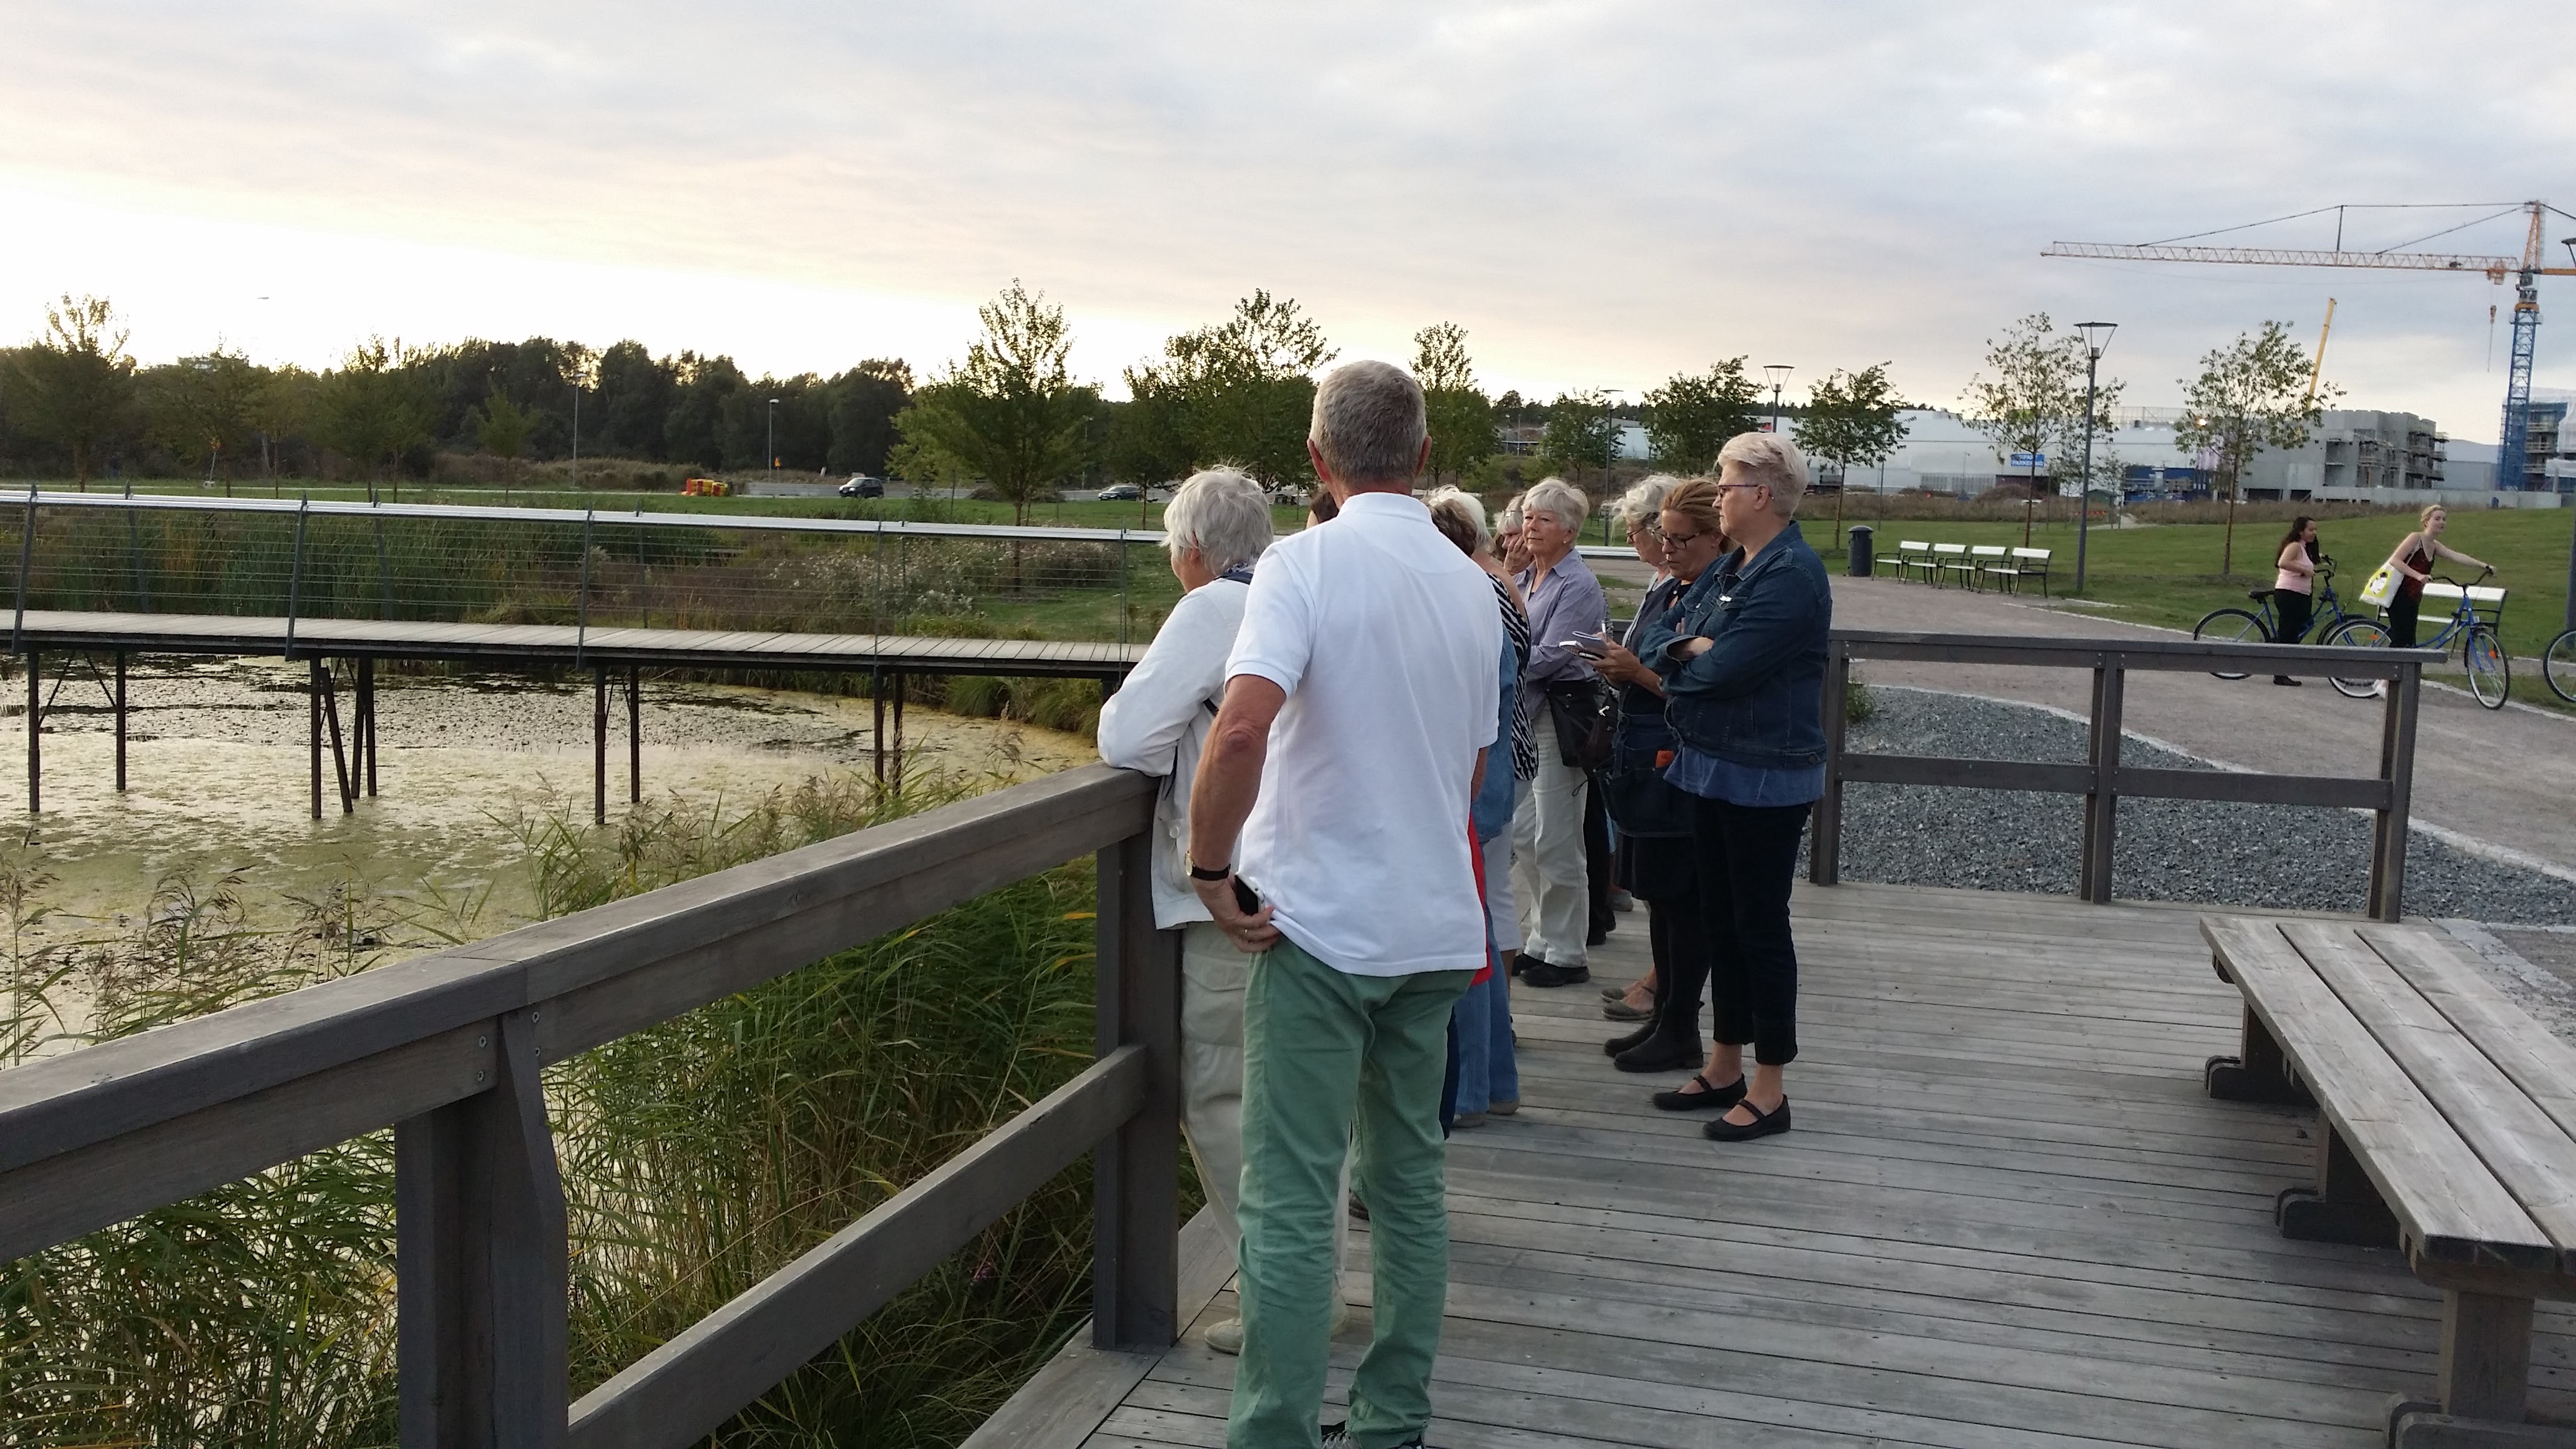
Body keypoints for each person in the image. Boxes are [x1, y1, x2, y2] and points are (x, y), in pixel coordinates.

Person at [1189, 360, 1499, 1449]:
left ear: (1315, 459)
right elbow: (1465, 774)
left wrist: (1206, 868)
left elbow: (1239, 727)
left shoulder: (1299, 566)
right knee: (1408, 1183)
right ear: (1419, 455)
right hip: (1433, 930)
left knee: (1287, 1194)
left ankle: (1271, 1429)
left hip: (1315, 929)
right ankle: (1389, 1420)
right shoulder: (1474, 586)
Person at [1095, 467, 1338, 1359]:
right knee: (1303, 1102)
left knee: (1228, 1095)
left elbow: (1125, 737)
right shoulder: (1292, 590)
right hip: (1308, 885)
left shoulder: (1211, 609)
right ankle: (1314, 1284)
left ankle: (1285, 1302)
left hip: (1232, 898)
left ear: (1190, 550)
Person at [1642, 436, 1831, 1143]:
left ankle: (1771, 1086)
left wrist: (1692, 656)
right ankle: (1724, 1064)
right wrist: (1690, 649)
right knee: (1720, 919)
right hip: (1714, 763)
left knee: (1760, 926)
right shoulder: (1734, 564)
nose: (1716, 494)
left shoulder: (1791, 575)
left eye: (1724, 485)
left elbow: (1728, 671)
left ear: (1760, 493)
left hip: (1765, 777)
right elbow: (1668, 630)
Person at [1593, 478, 1735, 1075]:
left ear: (1713, 537)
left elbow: (1701, 684)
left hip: (1675, 758)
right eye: (1664, 537)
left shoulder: (1718, 596)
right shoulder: (1680, 589)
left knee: (1682, 898)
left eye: (1680, 539)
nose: (1666, 547)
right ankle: (1665, 1015)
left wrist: (1637, 671)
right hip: (1646, 753)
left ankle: (1680, 1023)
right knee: (1659, 895)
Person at [1427, 485, 1526, 1128]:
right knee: (1479, 931)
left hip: (1465, 789)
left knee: (1462, 937)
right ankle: (1493, 1080)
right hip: (1483, 784)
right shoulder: (1479, 599)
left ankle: (1465, 1091)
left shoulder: (1458, 602)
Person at [1508, 477, 1608, 988]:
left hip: (1561, 716)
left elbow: (1558, 652)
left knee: (1558, 837)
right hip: (1527, 715)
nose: (1531, 526)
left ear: (1570, 532)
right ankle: (1540, 938)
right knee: (1525, 834)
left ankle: (1568, 952)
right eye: (1528, 516)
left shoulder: (1578, 585)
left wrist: (1500, 663)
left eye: (1543, 519)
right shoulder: (1525, 579)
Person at [1594, 475, 1682, 1024]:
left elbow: (1686, 683)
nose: (1631, 539)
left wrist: (1634, 672)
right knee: (1653, 878)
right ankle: (1660, 981)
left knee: (1670, 882)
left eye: (1635, 529)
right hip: (1641, 742)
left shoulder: (1685, 588)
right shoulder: (1661, 582)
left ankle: (1668, 994)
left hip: (1663, 747)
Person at [2379, 504, 2493, 650]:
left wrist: (2483, 565)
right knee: (2402, 640)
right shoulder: (2416, 538)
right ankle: (2384, 669)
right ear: (2426, 521)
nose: (2442, 522)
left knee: (2409, 642)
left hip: (2413, 597)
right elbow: (2395, 560)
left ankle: (2404, 672)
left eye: (2444, 519)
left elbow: (2456, 556)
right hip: (2398, 593)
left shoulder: (2434, 545)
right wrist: (2418, 576)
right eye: (2437, 519)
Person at [2270, 516, 2318, 686]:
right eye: (2311, 530)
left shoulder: (2304, 547)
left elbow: (2302, 560)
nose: (2314, 533)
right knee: (2288, 633)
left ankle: (2279, 655)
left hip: (2300, 595)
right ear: (2300, 531)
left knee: (2300, 626)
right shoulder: (2295, 546)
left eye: (2315, 530)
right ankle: (2280, 673)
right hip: (2289, 594)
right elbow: (2283, 562)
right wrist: (2305, 570)